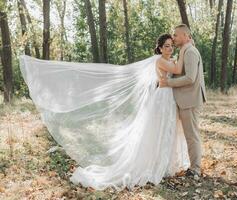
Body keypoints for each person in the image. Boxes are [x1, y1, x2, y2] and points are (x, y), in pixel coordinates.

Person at [19, 30, 196, 191]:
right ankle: (155, 165)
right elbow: (179, 69)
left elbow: (176, 68)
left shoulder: (168, 60)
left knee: (167, 130)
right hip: (162, 98)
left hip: (167, 97)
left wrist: (181, 51)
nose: (170, 49)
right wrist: (185, 47)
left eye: (172, 46)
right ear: (159, 48)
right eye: (166, 46)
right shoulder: (160, 61)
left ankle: (165, 163)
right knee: (160, 130)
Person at [159, 24, 207, 177]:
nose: (173, 38)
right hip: (186, 99)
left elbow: (190, 78)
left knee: (191, 136)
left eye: (176, 35)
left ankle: (195, 169)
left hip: (190, 100)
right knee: (188, 134)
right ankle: (193, 166)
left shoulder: (190, 52)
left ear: (186, 36)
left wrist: (168, 83)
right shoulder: (185, 50)